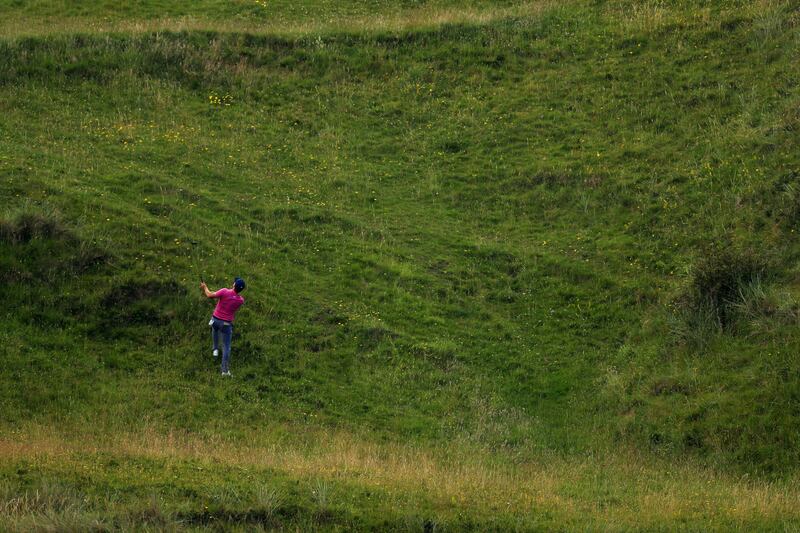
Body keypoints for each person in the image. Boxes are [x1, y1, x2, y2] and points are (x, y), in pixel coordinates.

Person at [200, 277, 246, 376]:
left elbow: (209, 295)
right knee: (226, 347)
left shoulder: (224, 291)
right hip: (226, 324)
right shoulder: (241, 300)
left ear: (234, 285)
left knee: (214, 329)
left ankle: (215, 349)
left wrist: (204, 287)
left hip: (215, 319)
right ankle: (224, 371)